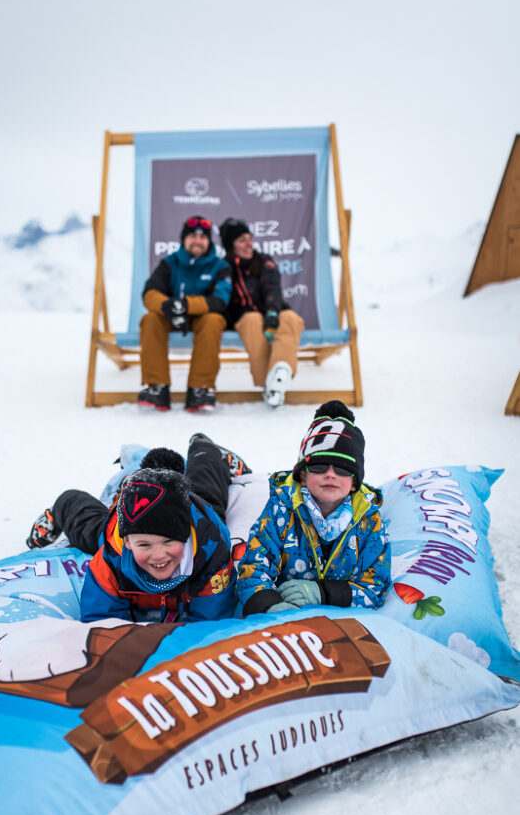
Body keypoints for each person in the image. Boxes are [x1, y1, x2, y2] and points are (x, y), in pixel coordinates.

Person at [27, 434, 250, 624]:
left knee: (206, 488)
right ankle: (61, 506)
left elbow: (209, 623)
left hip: (191, 511)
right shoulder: (111, 557)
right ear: (127, 542)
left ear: (184, 536)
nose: (159, 555)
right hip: (129, 515)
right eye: (145, 544)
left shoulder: (210, 551)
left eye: (169, 541)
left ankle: (206, 449)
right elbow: (101, 625)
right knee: (88, 527)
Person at [236, 400, 391, 615]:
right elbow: (252, 572)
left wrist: (323, 593)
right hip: (280, 617)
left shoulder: (368, 521)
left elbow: (375, 587)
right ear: (302, 475)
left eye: (343, 469)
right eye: (319, 466)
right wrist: (270, 605)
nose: (330, 474)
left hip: (339, 624)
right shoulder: (280, 510)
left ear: (355, 482)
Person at [137, 217, 232, 413]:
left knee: (214, 320)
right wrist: (168, 306)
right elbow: (149, 292)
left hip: (202, 318)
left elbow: (220, 300)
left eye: (202, 237)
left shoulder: (220, 266)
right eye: (192, 236)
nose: (197, 241)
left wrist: (186, 305)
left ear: (209, 241)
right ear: (183, 239)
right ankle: (157, 387)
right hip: (171, 317)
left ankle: (200, 389)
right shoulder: (169, 263)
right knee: (150, 319)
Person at [219, 218, 305, 409]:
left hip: (271, 311)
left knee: (291, 318)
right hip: (243, 318)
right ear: (230, 245)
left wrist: (272, 313)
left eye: (250, 238)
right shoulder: (223, 267)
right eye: (242, 240)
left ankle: (280, 373)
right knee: (251, 320)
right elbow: (222, 298)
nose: (249, 244)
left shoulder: (264, 261)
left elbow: (272, 288)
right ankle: (269, 383)